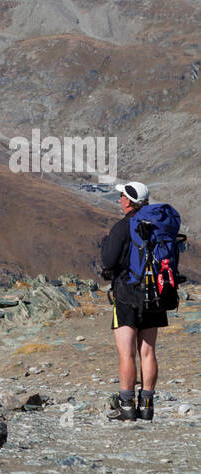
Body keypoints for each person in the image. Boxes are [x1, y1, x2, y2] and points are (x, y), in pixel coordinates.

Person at [100, 181, 164, 422]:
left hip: (127, 294)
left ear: (129, 201)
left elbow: (109, 260)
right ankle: (147, 406)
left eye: (122, 196)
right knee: (148, 352)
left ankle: (127, 408)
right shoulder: (157, 225)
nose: (119, 200)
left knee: (127, 354)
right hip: (155, 294)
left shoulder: (122, 227)